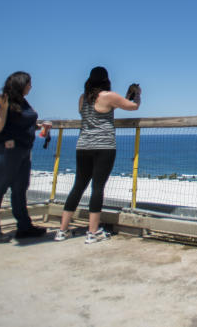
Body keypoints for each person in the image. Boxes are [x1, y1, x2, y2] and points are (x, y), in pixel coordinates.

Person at [56, 67, 141, 244]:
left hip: (83, 145)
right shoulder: (108, 96)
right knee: (97, 187)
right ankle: (92, 232)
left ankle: (62, 230)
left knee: (78, 185)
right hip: (104, 147)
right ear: (106, 80)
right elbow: (133, 106)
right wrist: (137, 93)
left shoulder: (83, 98)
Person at [0, 71, 47, 243]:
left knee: (19, 190)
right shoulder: (3, 101)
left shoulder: (23, 102)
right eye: (29, 83)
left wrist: (39, 125)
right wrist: (3, 108)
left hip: (22, 152)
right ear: (21, 84)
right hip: (5, 152)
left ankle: (24, 227)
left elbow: (21, 122)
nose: (31, 86)